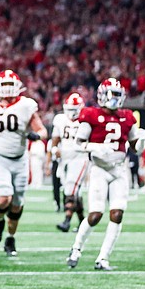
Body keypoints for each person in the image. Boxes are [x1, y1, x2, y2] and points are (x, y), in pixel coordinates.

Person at [66, 78, 145, 270]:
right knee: (95, 214)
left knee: (117, 213)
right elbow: (78, 144)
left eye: (117, 95)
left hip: (119, 169)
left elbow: (135, 148)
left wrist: (141, 142)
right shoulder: (91, 114)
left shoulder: (127, 116)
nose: (114, 98)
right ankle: (76, 248)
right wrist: (96, 147)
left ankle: (103, 258)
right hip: (100, 169)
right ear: (102, 94)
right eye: (112, 94)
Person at [0, 70, 47, 256]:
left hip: (20, 159)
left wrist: (36, 136)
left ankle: (10, 238)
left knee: (17, 205)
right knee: (4, 198)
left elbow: (42, 130)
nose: (6, 89)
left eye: (9, 85)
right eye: (3, 85)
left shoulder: (26, 105)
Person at [50, 93, 89, 232]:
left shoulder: (86, 120)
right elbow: (55, 138)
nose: (72, 112)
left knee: (70, 189)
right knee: (75, 193)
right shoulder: (60, 119)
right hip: (65, 159)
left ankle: (66, 221)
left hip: (80, 157)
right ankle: (82, 223)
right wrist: (55, 149)